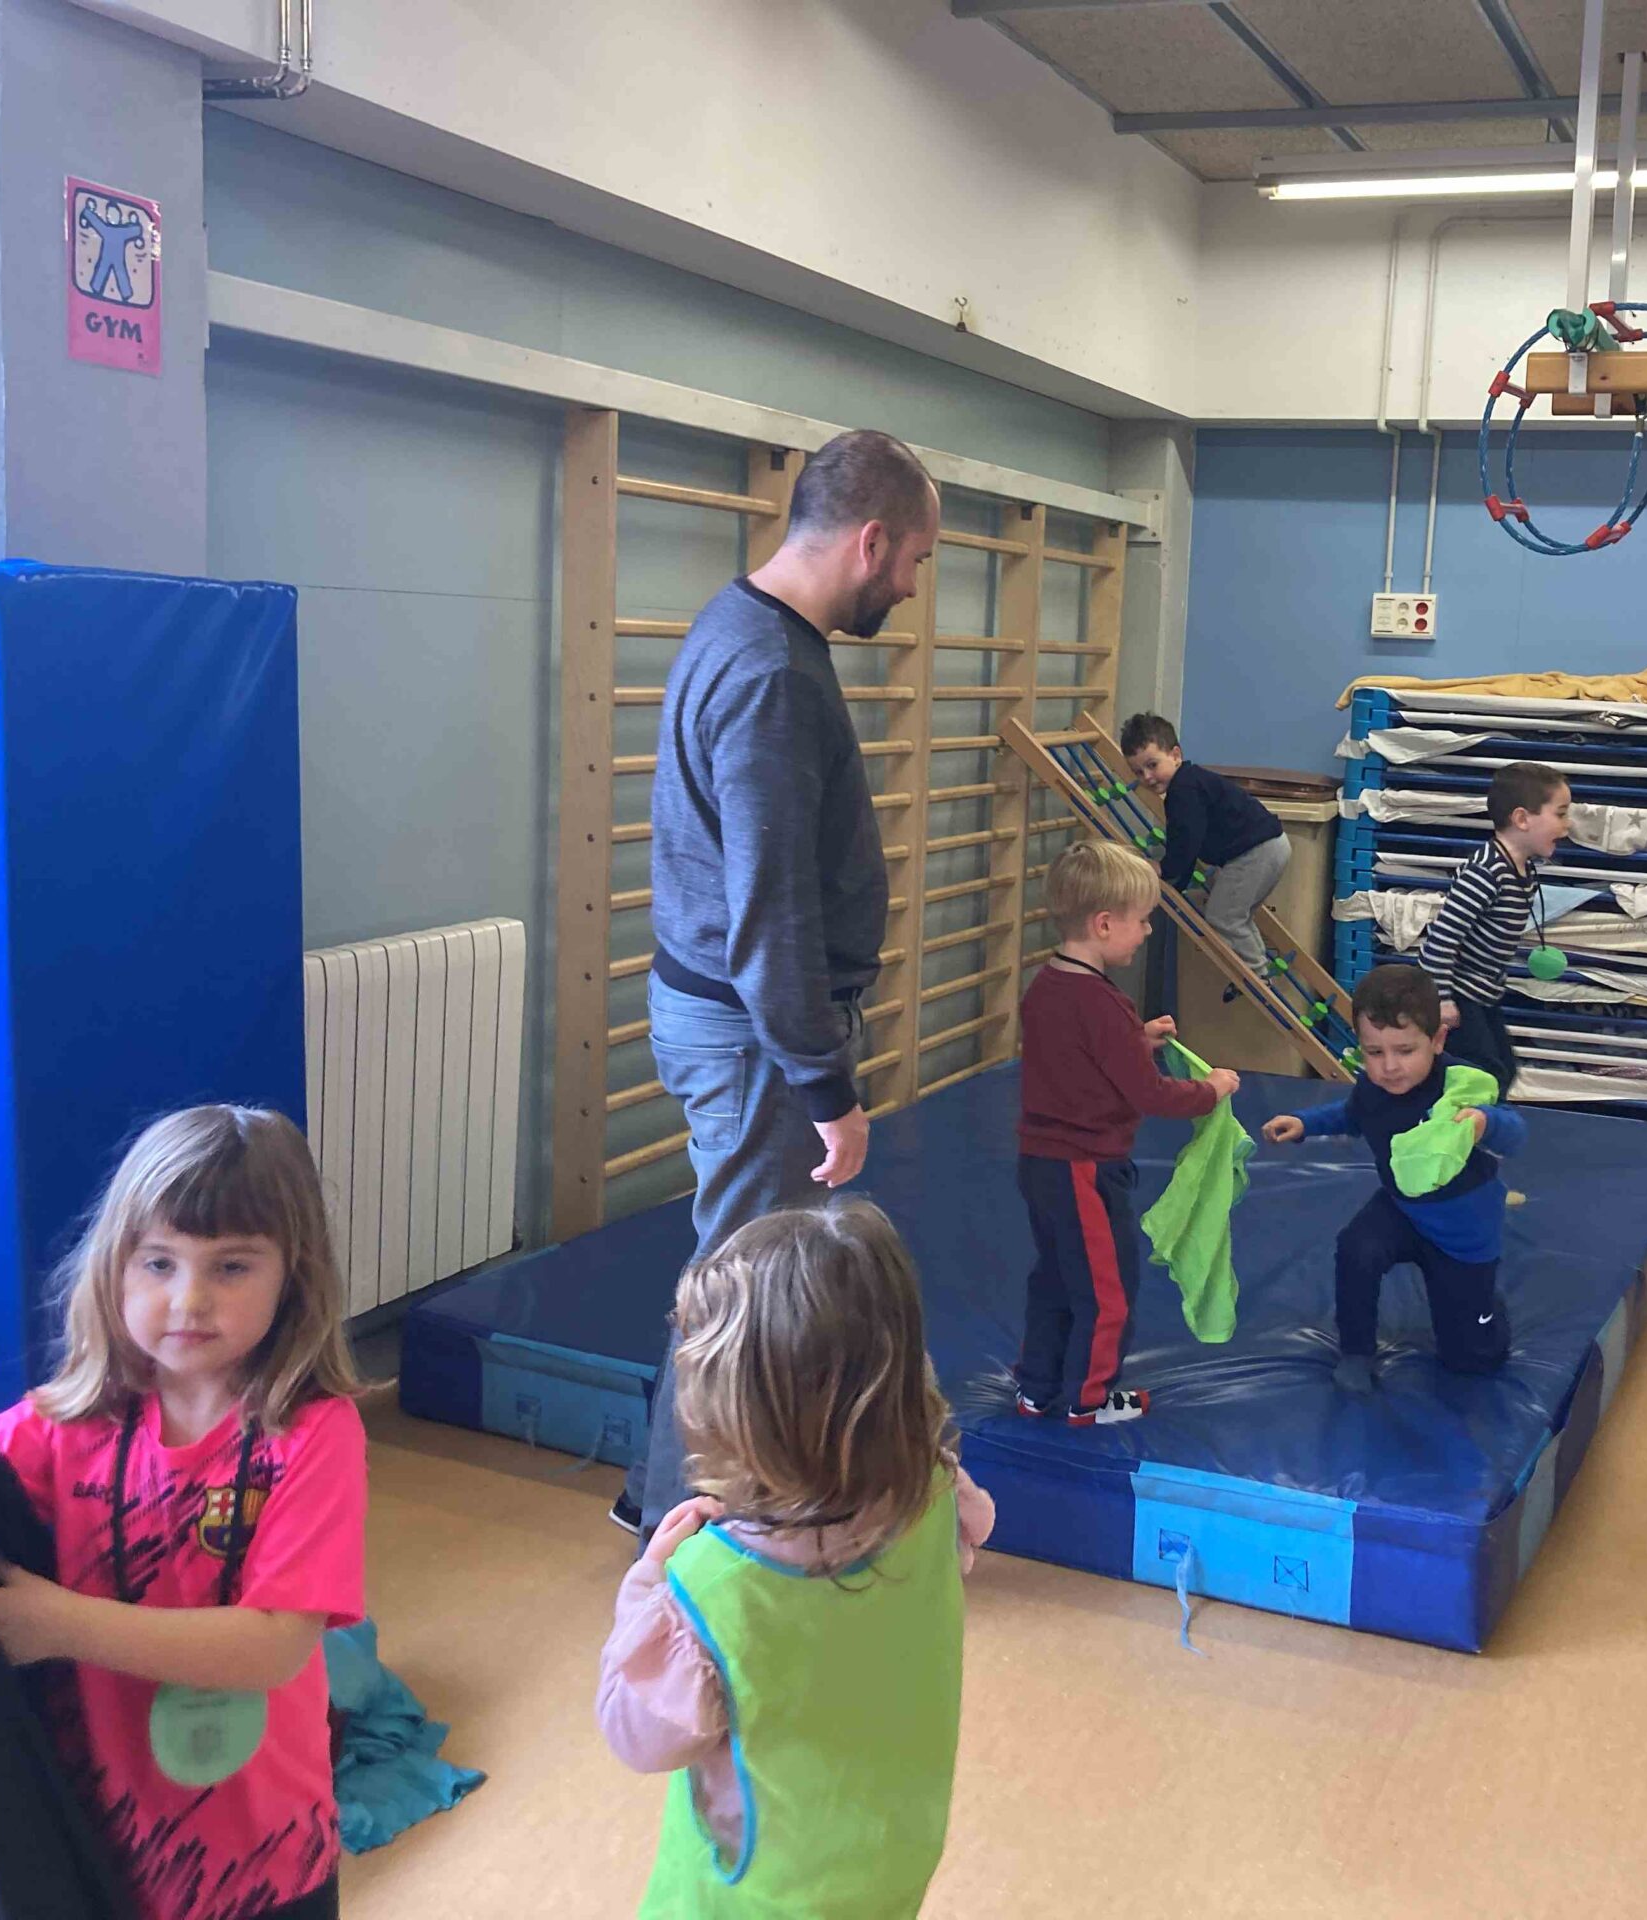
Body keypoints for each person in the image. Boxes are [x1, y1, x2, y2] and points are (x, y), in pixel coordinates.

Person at [0, 1106, 369, 1920]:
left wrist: (57, 1624)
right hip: (94, 1852)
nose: (189, 1299)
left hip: (264, 1859)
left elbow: (273, 1647)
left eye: (231, 1267)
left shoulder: (315, 1431)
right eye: (158, 1262)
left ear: (294, 1277)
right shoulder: (71, 1421)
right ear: (114, 1266)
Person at [622, 427, 941, 1539]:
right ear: (871, 541)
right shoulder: (770, 673)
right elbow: (770, 909)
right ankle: (676, 1531)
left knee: (740, 1273)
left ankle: (672, 1500)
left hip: (727, 1015)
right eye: (916, 561)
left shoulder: (743, 625)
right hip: (753, 1034)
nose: (912, 587)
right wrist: (825, 1085)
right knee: (743, 1291)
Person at [596, 1201, 996, 1918]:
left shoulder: (710, 1591)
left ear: (736, 1415)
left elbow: (638, 1736)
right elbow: (978, 1527)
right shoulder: (937, 1494)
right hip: (886, 1866)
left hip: (751, 1903)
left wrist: (647, 1585)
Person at [1016, 840, 1240, 1424]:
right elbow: (1151, 1095)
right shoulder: (1103, 1003)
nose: (1145, 932)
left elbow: (1075, 1060)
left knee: (1056, 1278)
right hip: (1084, 1170)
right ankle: (1088, 1401)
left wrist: (1135, 1041)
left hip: (1040, 1164)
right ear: (1104, 923)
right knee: (1106, 1291)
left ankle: (1036, 1389)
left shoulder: (1045, 987)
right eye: (1141, 921)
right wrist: (1211, 1089)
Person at [1262, 962, 1524, 1392]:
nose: (1389, 1067)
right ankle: (1357, 1350)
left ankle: (1486, 1313)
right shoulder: (1374, 1088)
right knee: (1356, 1249)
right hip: (1402, 1209)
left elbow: (1515, 1133)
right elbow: (1352, 1114)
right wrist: (1305, 1123)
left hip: (1463, 1231)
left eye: (1405, 1051)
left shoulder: (1460, 1087)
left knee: (1471, 1359)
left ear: (1437, 1040)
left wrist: (1484, 1122)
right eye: (1374, 1052)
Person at [1415, 759, 1573, 1092]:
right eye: (1560, 814)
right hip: (1459, 993)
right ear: (1522, 819)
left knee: (1503, 1071)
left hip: (1483, 993)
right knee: (1483, 1074)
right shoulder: (1487, 871)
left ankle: (1471, 1120)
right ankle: (1452, 1122)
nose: (1567, 825)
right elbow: (1439, 941)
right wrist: (1442, 1000)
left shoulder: (1523, 871)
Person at [1120, 711, 1291, 972]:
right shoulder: (1191, 781)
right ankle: (1258, 970)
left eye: (1152, 765)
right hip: (1271, 846)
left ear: (1175, 755)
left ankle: (1257, 973)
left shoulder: (1183, 790)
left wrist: (1166, 869)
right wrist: (1177, 878)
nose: (1147, 777)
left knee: (1223, 917)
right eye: (1138, 772)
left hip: (1256, 852)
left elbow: (1186, 839)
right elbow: (1190, 838)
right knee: (1237, 917)